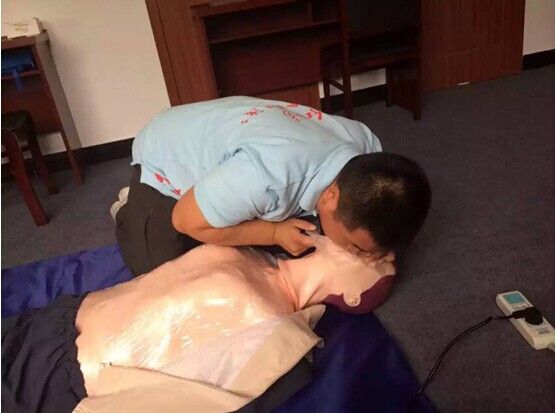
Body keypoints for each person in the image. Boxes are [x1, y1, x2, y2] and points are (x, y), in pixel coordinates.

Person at [2, 234, 404, 413]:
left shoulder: (278, 337)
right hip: (54, 321)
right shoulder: (252, 248)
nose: (376, 252)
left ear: (353, 297)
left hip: (54, 387)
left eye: (380, 263)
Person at [114, 96, 431, 276]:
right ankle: (130, 208)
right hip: (166, 159)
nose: (355, 254)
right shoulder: (267, 178)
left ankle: (222, 203)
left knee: (299, 241)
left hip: (232, 136)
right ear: (331, 197)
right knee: (162, 275)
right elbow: (185, 219)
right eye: (355, 245)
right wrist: (274, 233)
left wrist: (382, 248)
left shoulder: (367, 147)